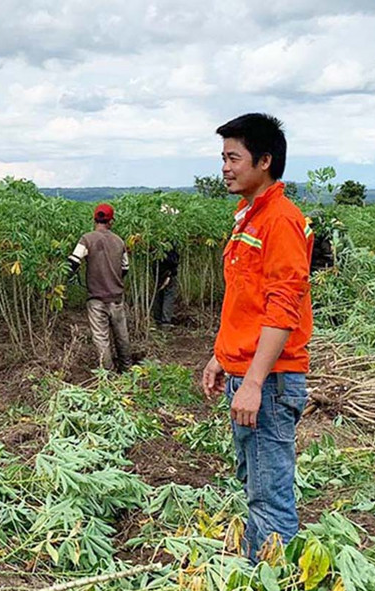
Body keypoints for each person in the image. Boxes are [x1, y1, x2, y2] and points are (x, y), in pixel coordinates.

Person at [201, 114, 314, 563]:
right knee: (257, 485)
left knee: (269, 500)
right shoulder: (251, 218)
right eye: (223, 157)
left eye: (233, 157)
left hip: (267, 383)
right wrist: (220, 357)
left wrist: (251, 381)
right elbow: (246, 301)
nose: (225, 167)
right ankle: (261, 576)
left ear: (264, 161)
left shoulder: (281, 221)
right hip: (249, 373)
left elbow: (283, 309)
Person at [68, 203, 131, 371]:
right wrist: (114, 280)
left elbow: (73, 261)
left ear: (94, 219)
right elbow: (125, 268)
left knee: (101, 339)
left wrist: (64, 278)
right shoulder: (119, 241)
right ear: (111, 221)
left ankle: (108, 375)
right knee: (122, 336)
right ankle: (127, 370)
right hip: (116, 297)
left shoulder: (87, 239)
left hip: (96, 298)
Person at [151, 245, 179, 327]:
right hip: (167, 273)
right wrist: (171, 273)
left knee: (159, 294)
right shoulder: (170, 242)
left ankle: (158, 320)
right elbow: (173, 259)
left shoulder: (156, 242)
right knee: (168, 295)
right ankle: (165, 322)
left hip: (158, 272)